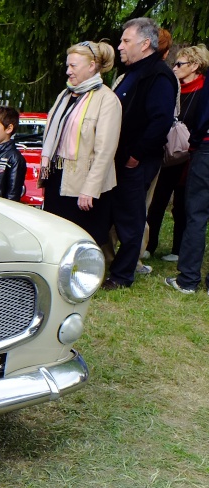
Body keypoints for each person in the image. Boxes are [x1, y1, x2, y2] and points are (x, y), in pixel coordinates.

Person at [102, 18, 178, 289]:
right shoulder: (133, 72)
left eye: (126, 41)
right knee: (111, 213)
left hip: (136, 161)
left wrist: (136, 154)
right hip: (118, 159)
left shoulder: (158, 75)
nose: (120, 46)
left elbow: (160, 120)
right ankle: (106, 265)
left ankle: (122, 276)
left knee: (131, 219)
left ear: (145, 44)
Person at [39, 41, 121, 244]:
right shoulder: (65, 95)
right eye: (68, 66)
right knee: (56, 236)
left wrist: (89, 189)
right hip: (58, 177)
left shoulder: (107, 100)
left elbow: (105, 152)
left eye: (73, 66)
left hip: (84, 186)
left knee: (82, 240)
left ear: (92, 65)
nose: (68, 71)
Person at [146, 44, 209, 263]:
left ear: (195, 66)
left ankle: (178, 248)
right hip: (170, 152)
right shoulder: (175, 88)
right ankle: (149, 244)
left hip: (192, 154)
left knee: (183, 204)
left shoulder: (203, 91)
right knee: (157, 199)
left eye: (180, 64)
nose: (175, 67)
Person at [164, 82, 209, 293]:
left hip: (207, 148)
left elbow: (204, 110)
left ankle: (188, 279)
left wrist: (196, 139)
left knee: (196, 215)